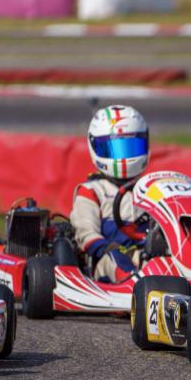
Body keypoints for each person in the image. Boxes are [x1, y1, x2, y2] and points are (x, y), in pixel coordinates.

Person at [70, 105, 150, 283]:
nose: (123, 158)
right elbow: (86, 234)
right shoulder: (92, 191)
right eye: (115, 149)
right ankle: (135, 286)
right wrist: (112, 249)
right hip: (106, 261)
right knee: (115, 259)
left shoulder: (150, 188)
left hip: (144, 257)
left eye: (131, 147)